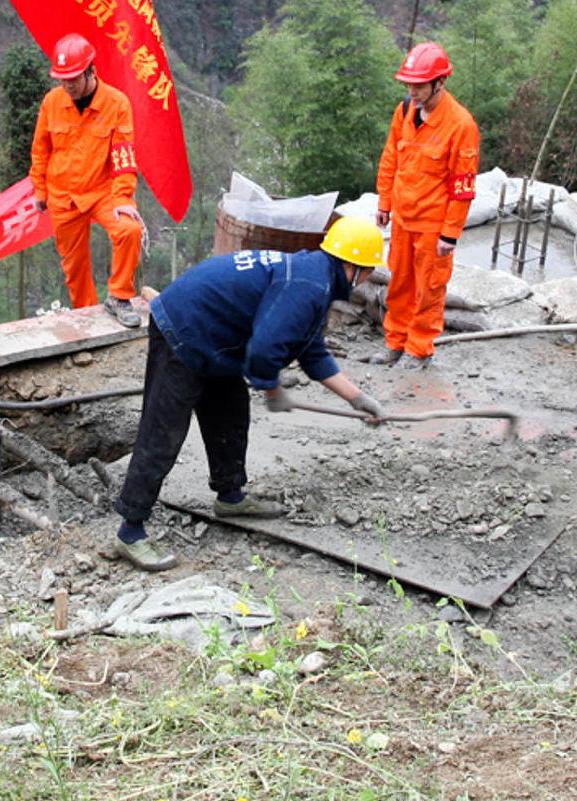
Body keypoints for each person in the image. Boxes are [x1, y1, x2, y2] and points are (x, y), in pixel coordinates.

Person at [104, 218, 391, 572]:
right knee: (163, 432)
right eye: (366, 272)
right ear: (351, 267)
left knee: (230, 415)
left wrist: (356, 398)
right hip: (184, 329)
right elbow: (262, 352)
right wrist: (273, 390)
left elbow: (311, 351)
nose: (366, 281)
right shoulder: (308, 285)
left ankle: (230, 497)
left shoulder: (315, 278)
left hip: (218, 337)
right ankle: (129, 531)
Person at [371, 42, 481, 369]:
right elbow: (391, 156)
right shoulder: (404, 111)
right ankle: (395, 342)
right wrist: (385, 201)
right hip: (404, 219)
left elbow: (463, 187)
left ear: (439, 83)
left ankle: (418, 349)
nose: (412, 91)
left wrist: (450, 233)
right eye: (409, 84)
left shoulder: (461, 125)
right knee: (399, 283)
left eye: (418, 85)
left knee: (429, 289)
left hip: (433, 225)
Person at [30, 32, 146, 326]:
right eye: (62, 78)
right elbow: (40, 149)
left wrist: (122, 197)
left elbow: (124, 156)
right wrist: (40, 190)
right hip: (63, 196)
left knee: (129, 230)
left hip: (103, 192)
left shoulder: (116, 103)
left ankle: (119, 296)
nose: (67, 84)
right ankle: (88, 316)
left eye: (73, 78)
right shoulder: (52, 102)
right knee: (74, 267)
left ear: (91, 70)